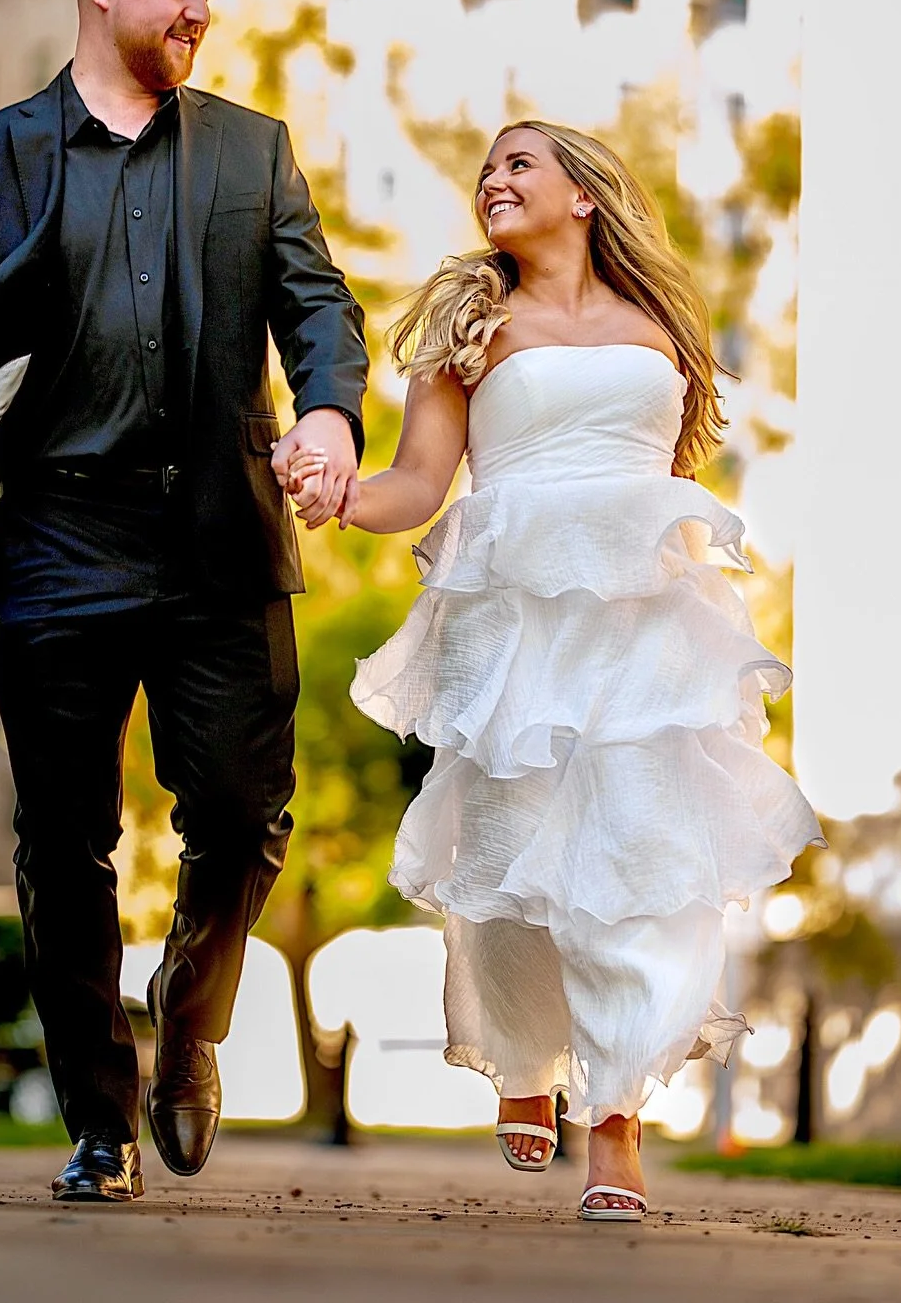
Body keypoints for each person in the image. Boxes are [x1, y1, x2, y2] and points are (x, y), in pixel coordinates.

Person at [0, 0, 368, 1203]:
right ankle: (100, 1124)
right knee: (62, 841)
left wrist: (333, 414)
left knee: (238, 812)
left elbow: (316, 301)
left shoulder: (253, 151)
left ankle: (191, 999)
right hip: (61, 535)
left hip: (221, 533)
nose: (200, 10)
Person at [278, 120, 821, 1223]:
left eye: (519, 163)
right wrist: (332, 490)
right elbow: (419, 486)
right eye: (487, 169)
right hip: (509, 615)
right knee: (513, 852)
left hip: (639, 620)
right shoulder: (468, 329)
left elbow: (656, 480)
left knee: (638, 857)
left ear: (584, 193)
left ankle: (614, 1122)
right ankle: (526, 1055)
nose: (495, 179)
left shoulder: (662, 322)